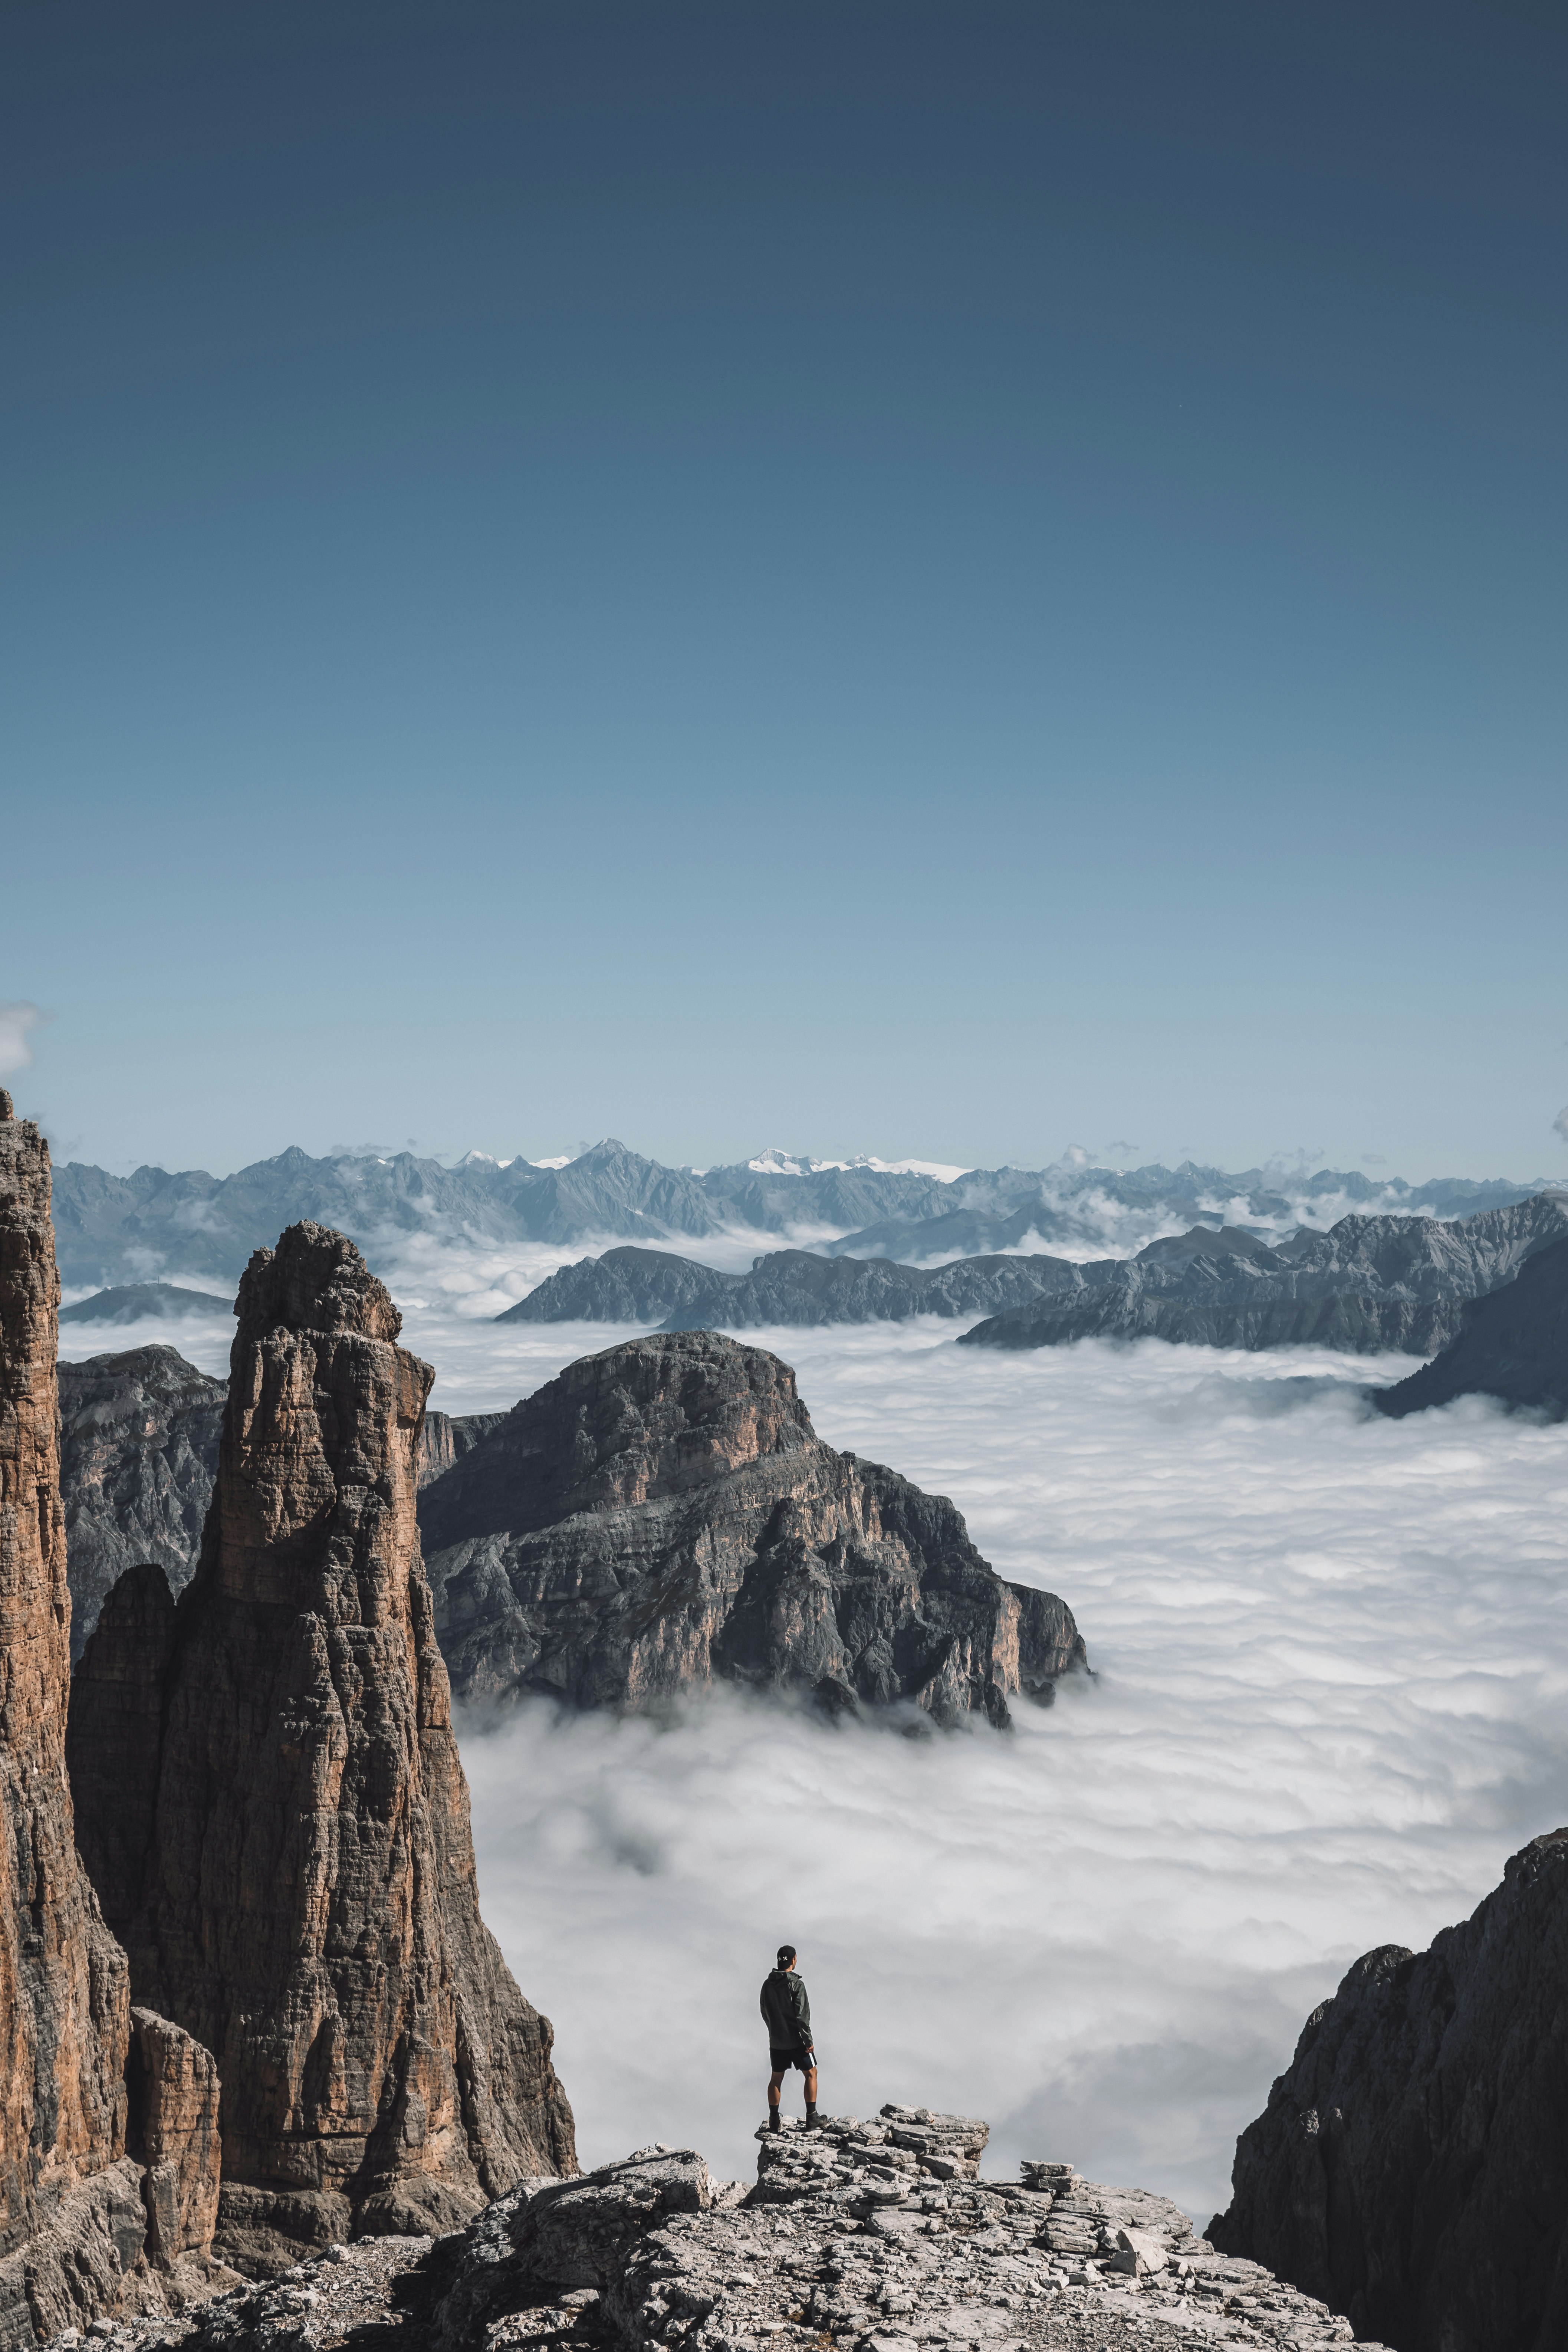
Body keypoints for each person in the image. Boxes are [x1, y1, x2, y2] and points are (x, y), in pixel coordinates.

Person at [760, 1943, 818, 2129]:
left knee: (776, 2078)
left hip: (776, 2041)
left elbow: (764, 2011)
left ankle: (774, 2120)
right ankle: (812, 2117)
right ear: (794, 1960)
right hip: (797, 2040)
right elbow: (802, 2016)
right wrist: (808, 2041)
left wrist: (774, 2030)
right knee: (811, 2074)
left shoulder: (768, 1984)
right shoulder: (796, 1984)